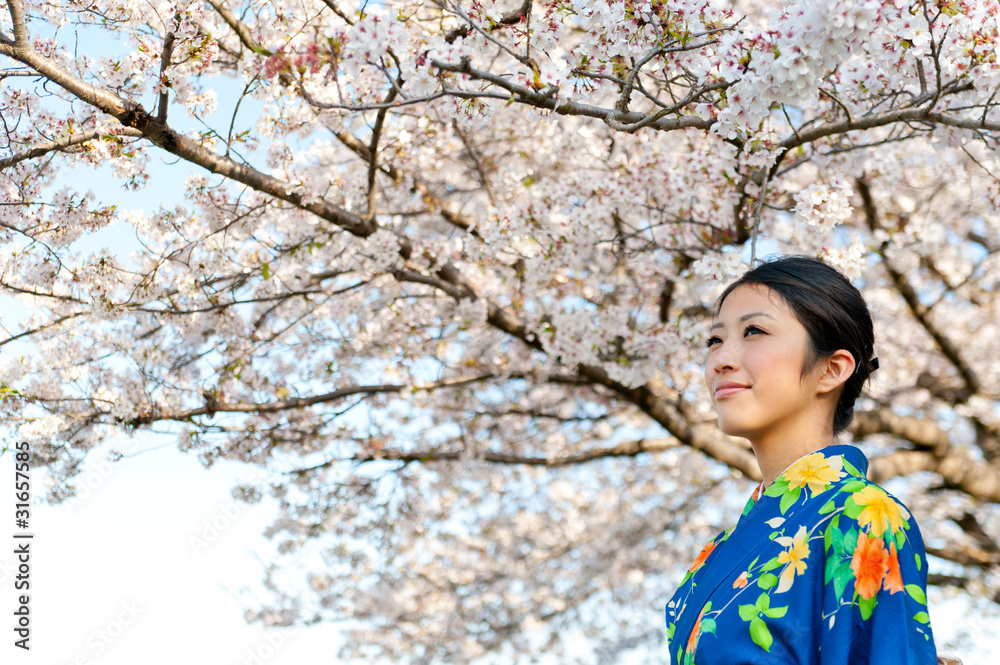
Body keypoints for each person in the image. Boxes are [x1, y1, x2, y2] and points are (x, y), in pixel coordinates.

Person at [665, 255, 939, 664]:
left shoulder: (865, 516)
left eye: (754, 331)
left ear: (831, 369)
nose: (719, 360)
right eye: (715, 340)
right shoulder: (713, 553)